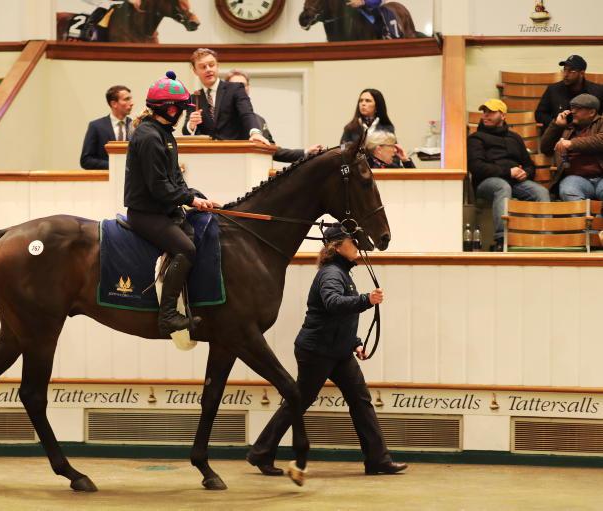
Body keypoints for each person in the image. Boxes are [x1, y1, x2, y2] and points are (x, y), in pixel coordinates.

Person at [246, 225, 407, 477]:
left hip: (338, 351)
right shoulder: (332, 274)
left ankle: (378, 459)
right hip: (317, 352)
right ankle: (261, 452)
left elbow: (340, 318)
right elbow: (333, 304)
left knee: (360, 400)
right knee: (299, 401)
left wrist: (355, 342)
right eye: (351, 241)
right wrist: (367, 300)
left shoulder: (341, 273)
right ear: (337, 247)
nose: (356, 245)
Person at [125, 71, 221, 335]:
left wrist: (198, 197)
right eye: (179, 109)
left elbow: (175, 180)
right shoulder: (148, 137)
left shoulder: (164, 135)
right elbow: (159, 188)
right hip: (146, 214)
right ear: (168, 108)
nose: (180, 114)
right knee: (186, 250)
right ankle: (167, 315)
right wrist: (190, 199)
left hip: (163, 210)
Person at [468, 99, 550, 250]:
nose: (486, 115)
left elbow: (529, 165)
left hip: (515, 181)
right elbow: (476, 167)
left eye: (491, 112)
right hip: (486, 182)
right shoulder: (476, 138)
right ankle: (502, 239)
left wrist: (525, 173)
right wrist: (508, 171)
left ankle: (544, 238)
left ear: (503, 115)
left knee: (541, 191)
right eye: (484, 112)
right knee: (502, 186)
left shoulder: (515, 137)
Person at [225, 69, 323, 163]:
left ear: (248, 88)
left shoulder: (259, 120)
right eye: (235, 86)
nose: (239, 90)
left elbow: (273, 151)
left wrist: (306, 152)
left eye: (243, 86)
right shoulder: (220, 119)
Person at [182, 48, 269, 144]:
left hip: (234, 150)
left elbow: (247, 113)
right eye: (203, 67)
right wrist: (191, 125)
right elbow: (186, 131)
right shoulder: (194, 98)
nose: (208, 69)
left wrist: (255, 133)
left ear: (217, 66)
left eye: (211, 65)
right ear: (195, 71)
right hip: (207, 153)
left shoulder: (235, 89)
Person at [540, 93, 603, 202]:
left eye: (577, 109)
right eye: (572, 108)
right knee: (568, 190)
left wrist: (571, 144)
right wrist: (557, 126)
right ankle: (581, 219)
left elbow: (600, 140)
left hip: (601, 177)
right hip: (576, 178)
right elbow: (545, 148)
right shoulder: (567, 128)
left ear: (592, 112)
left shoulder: (601, 123)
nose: (572, 111)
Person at [535, 55, 603, 134]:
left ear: (581, 73)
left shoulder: (598, 91)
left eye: (571, 71)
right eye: (565, 70)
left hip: (588, 136)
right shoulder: (553, 90)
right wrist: (556, 123)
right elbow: (540, 114)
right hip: (559, 135)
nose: (566, 74)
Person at [80, 85, 134, 169]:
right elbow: (86, 160)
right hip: (106, 179)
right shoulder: (96, 126)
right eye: (126, 99)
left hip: (131, 180)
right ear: (114, 104)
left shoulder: (135, 126)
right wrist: (115, 166)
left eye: (130, 99)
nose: (131, 103)